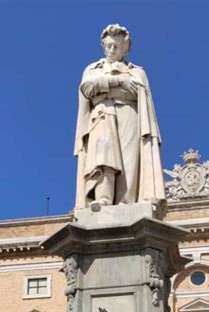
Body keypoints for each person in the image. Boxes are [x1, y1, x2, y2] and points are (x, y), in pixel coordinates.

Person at [74, 24, 166, 210]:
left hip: (129, 114)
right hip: (102, 114)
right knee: (102, 156)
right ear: (103, 45)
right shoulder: (93, 69)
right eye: (108, 46)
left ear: (125, 48)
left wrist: (105, 88)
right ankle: (104, 198)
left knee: (129, 159)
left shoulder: (137, 71)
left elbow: (138, 92)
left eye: (116, 46)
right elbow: (88, 88)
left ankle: (127, 203)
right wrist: (119, 81)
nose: (111, 50)